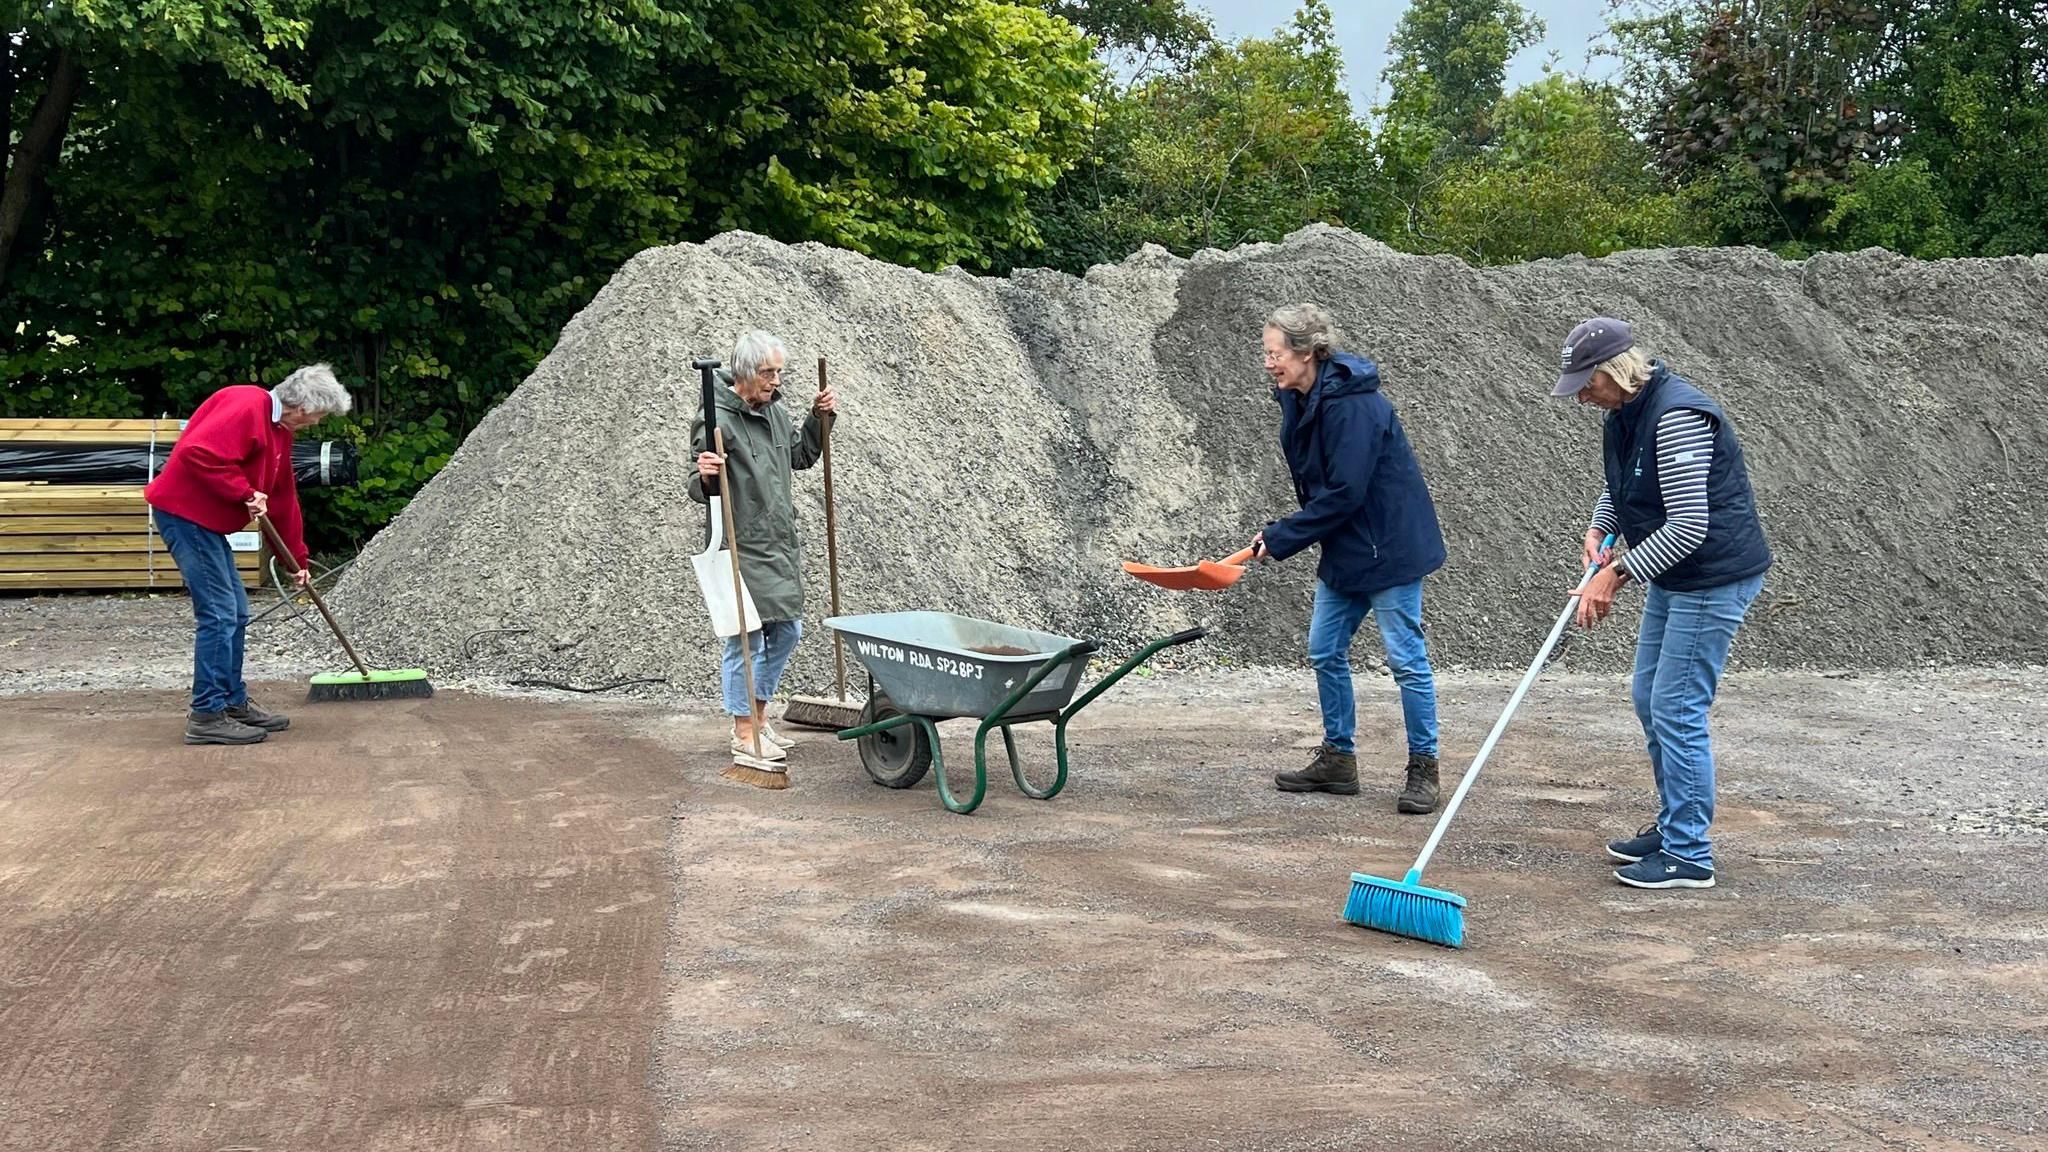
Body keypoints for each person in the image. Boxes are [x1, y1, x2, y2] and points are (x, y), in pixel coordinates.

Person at [1553, 317, 1773, 890]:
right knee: (1650, 697)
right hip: (1677, 575)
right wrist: (1602, 529)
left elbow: (1690, 526)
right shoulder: (1624, 412)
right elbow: (1624, 484)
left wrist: (1614, 576)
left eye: (1586, 383)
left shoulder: (1676, 417)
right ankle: (1676, 822)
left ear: (1615, 372)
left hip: (1711, 575)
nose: (1580, 395)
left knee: (1676, 707)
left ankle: (1689, 853)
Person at [1250, 304, 1448, 812]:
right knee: (1323, 648)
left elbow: (1345, 492)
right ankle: (1339, 760)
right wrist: (1284, 534)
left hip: (1390, 546)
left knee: (1406, 661)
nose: (1269, 363)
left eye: (1276, 354)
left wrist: (1282, 536)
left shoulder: (1354, 407)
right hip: (1346, 545)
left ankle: (1424, 769)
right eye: (1267, 353)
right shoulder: (1298, 396)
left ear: (1307, 353)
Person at [143, 364, 353, 745]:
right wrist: (242, 490)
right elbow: (197, 451)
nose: (317, 424)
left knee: (236, 611)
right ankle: (206, 714)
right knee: (220, 614)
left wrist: (296, 561)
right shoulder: (247, 404)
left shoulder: (279, 432)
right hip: (186, 516)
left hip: (206, 523)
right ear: (303, 407)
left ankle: (232, 702)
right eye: (319, 416)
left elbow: (283, 498)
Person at [689, 330, 839, 766]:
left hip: (778, 542)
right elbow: (699, 486)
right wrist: (705, 473)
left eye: (779, 372)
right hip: (740, 543)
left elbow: (802, 455)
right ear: (743, 372)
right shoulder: (716, 419)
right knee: (746, 640)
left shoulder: (776, 412)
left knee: (787, 630)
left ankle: (759, 715)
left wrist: (819, 418)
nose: (775, 381)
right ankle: (743, 729)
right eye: (767, 372)